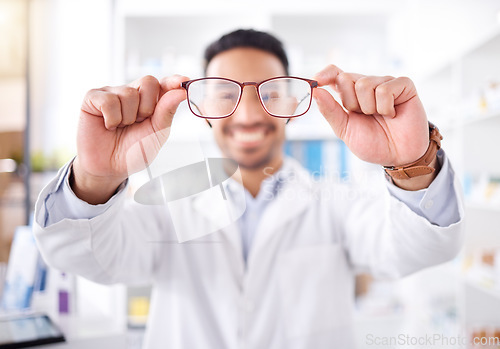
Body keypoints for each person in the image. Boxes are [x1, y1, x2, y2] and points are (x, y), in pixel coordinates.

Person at [33, 29, 464, 348]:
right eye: (224, 94)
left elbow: (421, 246)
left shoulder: (336, 202)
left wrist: (413, 162)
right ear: (200, 109)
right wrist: (97, 178)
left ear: (291, 102)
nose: (248, 114)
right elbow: (85, 255)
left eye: (269, 93)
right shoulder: (168, 204)